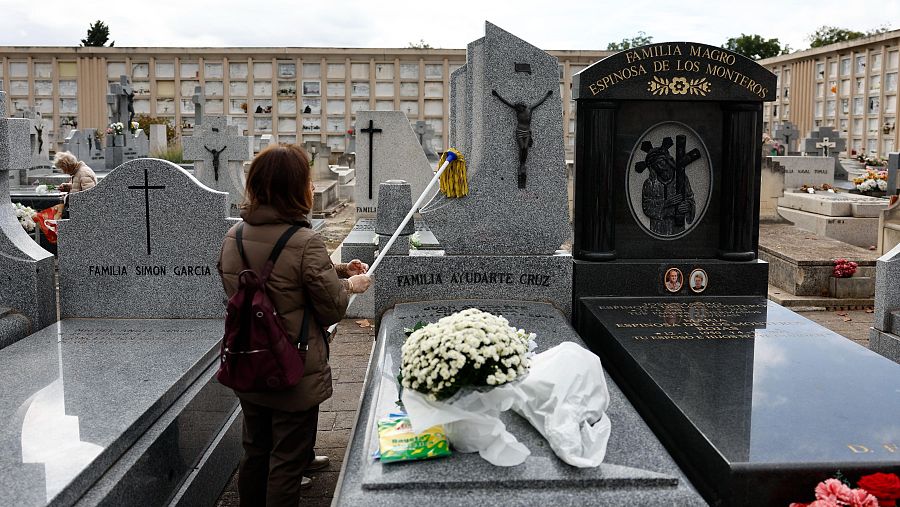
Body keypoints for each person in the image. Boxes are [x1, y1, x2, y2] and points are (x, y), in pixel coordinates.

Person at [217, 144, 371, 506]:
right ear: (293, 189)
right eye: (307, 180)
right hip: (294, 366)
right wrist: (350, 285)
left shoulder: (234, 237)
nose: (313, 188)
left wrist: (335, 269)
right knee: (287, 460)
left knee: (255, 449)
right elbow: (331, 306)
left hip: (248, 358)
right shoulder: (305, 242)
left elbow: (267, 282)